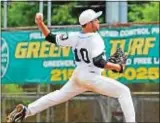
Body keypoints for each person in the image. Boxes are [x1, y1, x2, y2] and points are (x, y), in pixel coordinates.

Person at [7, 9, 135, 123]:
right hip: (90, 77)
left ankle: (26, 110)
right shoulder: (96, 39)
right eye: (96, 20)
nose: (98, 22)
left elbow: (50, 37)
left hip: (79, 75)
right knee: (124, 91)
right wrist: (118, 67)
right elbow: (98, 62)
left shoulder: (74, 36)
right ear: (89, 23)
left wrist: (40, 24)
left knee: (56, 96)